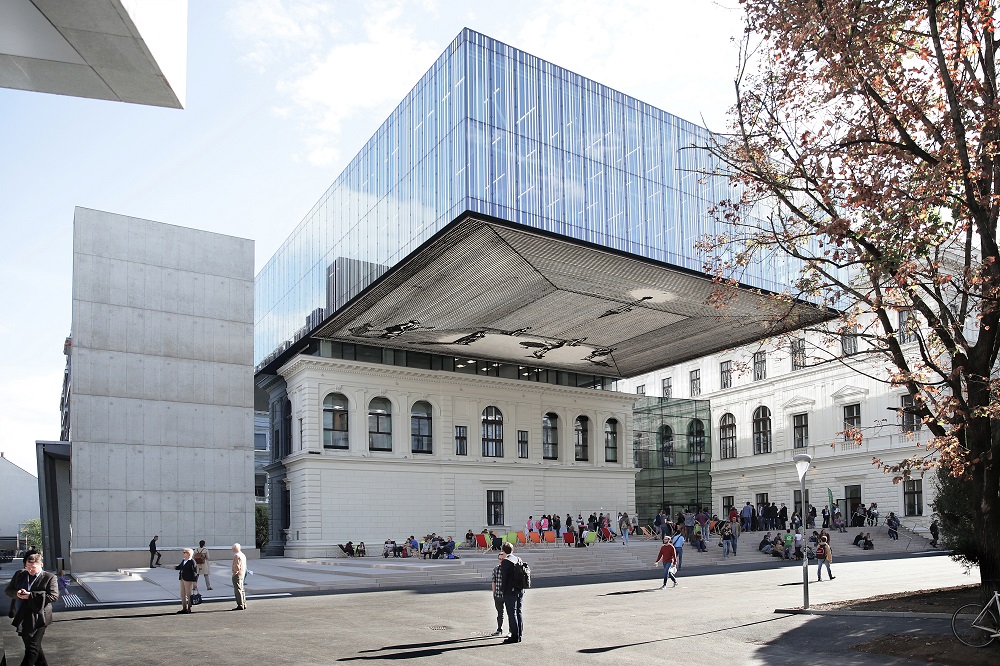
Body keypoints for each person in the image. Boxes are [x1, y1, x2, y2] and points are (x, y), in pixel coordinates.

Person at [5, 552, 58, 665]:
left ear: (41, 565)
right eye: (27, 567)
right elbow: (8, 590)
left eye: (33, 568)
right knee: (32, 646)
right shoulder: (20, 574)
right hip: (23, 615)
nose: (29, 570)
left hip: (40, 616)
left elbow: (53, 596)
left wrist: (31, 595)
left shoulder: (49, 577)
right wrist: (17, 593)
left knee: (32, 647)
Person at [498, 542, 524, 643]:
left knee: (511, 613)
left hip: (510, 590)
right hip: (520, 589)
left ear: (503, 551)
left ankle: (514, 636)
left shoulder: (506, 562)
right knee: (519, 611)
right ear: (512, 550)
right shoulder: (518, 559)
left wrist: (502, 590)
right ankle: (519, 635)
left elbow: (504, 579)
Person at [175, 548, 198, 613]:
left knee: (189, 594)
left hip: (188, 579)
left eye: (185, 552)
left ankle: (189, 608)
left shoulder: (192, 561)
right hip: (182, 578)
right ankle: (184, 608)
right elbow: (179, 567)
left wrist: (195, 581)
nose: (183, 553)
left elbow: (194, 572)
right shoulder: (183, 560)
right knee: (182, 594)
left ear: (189, 554)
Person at [490, 551, 506, 637]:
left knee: (511, 614)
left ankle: (511, 631)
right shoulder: (496, 569)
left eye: (503, 559)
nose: (501, 561)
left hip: (507, 595)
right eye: (499, 559)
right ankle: (499, 629)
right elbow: (493, 581)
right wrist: (494, 593)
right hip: (498, 595)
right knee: (500, 613)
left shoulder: (509, 569)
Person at [231, 543, 247, 611]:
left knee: (238, 590)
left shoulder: (236, 556)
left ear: (235, 549)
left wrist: (234, 573)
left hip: (238, 574)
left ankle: (240, 604)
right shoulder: (242, 555)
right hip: (243, 573)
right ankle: (244, 603)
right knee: (242, 589)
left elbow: (237, 566)